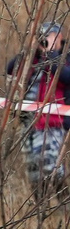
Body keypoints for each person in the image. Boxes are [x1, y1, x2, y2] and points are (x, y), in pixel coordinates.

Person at [7, 22, 70, 203]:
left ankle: (65, 204)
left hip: (53, 122)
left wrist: (51, 55)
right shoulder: (33, 60)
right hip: (29, 122)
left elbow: (66, 77)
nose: (46, 40)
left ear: (60, 38)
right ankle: (41, 209)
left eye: (51, 36)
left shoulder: (65, 58)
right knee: (34, 170)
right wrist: (30, 50)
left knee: (51, 165)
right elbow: (10, 68)